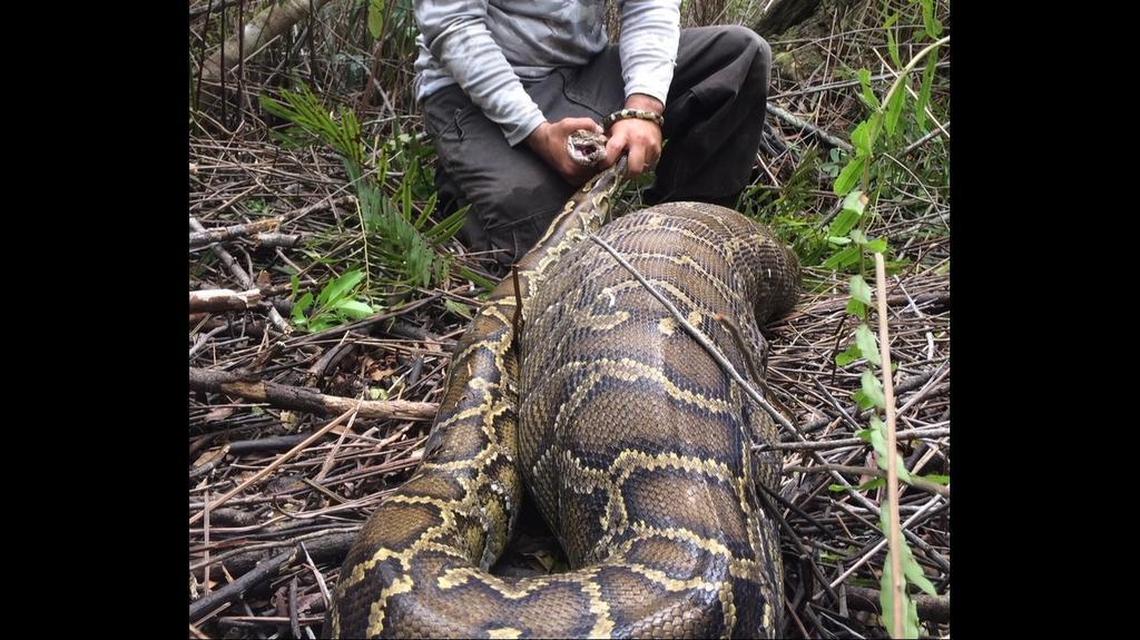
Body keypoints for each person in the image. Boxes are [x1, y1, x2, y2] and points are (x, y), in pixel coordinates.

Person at [414, 1, 772, 269]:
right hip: (472, 94)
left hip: (584, 71)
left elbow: (650, 6)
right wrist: (536, 134)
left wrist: (643, 107)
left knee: (740, 56)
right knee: (550, 247)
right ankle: (469, 186)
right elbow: (453, 25)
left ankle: (685, 240)